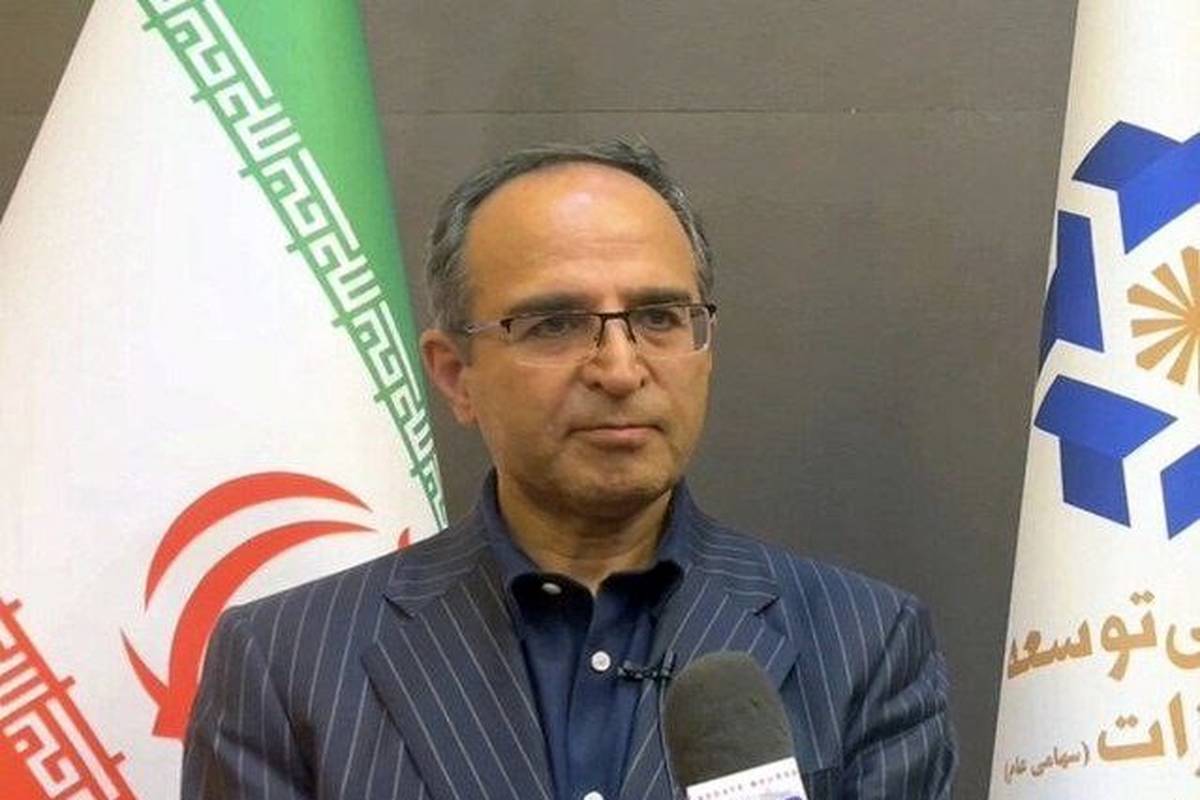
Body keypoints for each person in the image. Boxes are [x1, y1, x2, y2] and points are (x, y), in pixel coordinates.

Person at [182, 140, 957, 800]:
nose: (619, 369)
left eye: (659, 318)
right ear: (455, 375)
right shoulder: (287, 661)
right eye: (554, 323)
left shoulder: (863, 643)